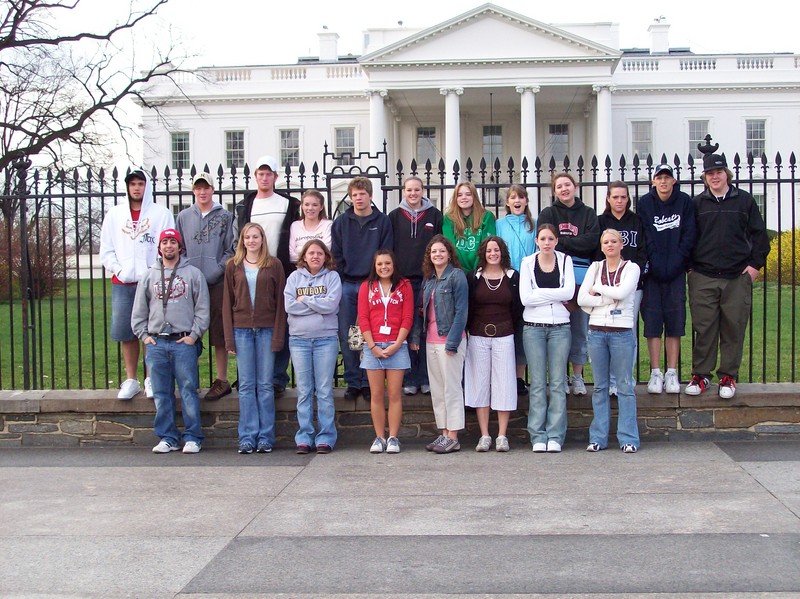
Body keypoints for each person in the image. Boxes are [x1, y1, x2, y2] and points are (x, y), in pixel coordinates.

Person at [686, 151, 770, 399]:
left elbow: (759, 237)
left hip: (736, 277)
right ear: (705, 177)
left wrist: (754, 267)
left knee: (734, 328)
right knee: (704, 328)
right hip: (703, 275)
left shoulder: (744, 201)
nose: (715, 177)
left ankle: (728, 377)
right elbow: (688, 238)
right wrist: (690, 268)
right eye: (710, 173)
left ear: (727, 175)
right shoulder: (697, 204)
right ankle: (701, 375)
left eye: (719, 172)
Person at [130, 229, 209, 454]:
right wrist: (144, 336)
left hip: (183, 342)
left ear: (179, 247)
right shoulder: (148, 276)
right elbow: (138, 311)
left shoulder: (193, 274)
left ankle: (193, 437)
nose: (169, 246)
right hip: (156, 343)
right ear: (159, 247)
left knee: (188, 389)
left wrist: (194, 335)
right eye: (165, 242)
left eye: (173, 242)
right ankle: (168, 437)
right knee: (162, 392)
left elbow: (203, 309)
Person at [100, 168, 174, 400]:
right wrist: (119, 270)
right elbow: (106, 250)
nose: (136, 188)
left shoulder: (161, 213)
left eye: (140, 183)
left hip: (151, 281)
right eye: (132, 183)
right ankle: (131, 379)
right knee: (127, 332)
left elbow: (170, 244)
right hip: (122, 282)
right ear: (127, 187)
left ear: (147, 186)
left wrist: (155, 271)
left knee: (152, 331)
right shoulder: (114, 214)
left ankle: (150, 378)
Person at [233, 155, 299, 397]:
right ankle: (247, 378)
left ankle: (277, 377)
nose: (264, 177)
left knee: (281, 322)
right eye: (260, 173)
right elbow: (239, 238)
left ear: (275, 177)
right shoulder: (245, 205)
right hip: (251, 270)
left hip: (280, 269)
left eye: (268, 173)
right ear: (255, 176)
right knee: (251, 325)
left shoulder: (288, 204)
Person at [222, 223, 286, 454]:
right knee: (247, 386)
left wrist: (279, 335)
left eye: (255, 236)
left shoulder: (274, 265)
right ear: (242, 240)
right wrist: (229, 338)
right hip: (241, 331)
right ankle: (247, 437)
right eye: (247, 237)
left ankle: (266, 437)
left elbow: (281, 304)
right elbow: (227, 304)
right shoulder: (233, 266)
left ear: (262, 239)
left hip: (267, 330)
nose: (251, 241)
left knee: (266, 386)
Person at [536, 172, 600, 397]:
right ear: (554, 190)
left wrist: (562, 242)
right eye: (559, 186)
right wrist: (573, 244)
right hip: (556, 277)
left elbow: (592, 241)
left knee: (580, 329)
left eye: (567, 185)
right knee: (558, 329)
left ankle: (578, 376)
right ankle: (560, 376)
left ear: (575, 186)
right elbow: (545, 241)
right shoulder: (548, 213)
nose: (564, 189)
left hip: (583, 278)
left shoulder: (588, 213)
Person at [578, 229, 641, 453]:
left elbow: (623, 292)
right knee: (600, 387)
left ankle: (629, 438)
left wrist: (598, 291)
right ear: (602, 246)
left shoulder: (631, 268)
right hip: (597, 332)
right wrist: (609, 297)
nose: (610, 245)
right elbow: (581, 298)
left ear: (621, 244)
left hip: (621, 332)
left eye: (614, 241)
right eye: (606, 242)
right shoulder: (595, 268)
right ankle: (598, 437)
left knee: (624, 386)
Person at [331, 176, 394, 400]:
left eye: (362, 194)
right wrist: (342, 275)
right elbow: (336, 254)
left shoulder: (383, 221)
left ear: (370, 195)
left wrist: (376, 281)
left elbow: (386, 253)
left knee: (372, 333)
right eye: (354, 195)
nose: (358, 198)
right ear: (350, 197)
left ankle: (368, 381)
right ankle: (353, 381)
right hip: (348, 284)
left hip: (372, 285)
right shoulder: (341, 222)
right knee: (349, 333)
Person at [638, 164, 697, 395]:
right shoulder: (645, 203)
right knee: (652, 324)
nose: (663, 182)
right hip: (652, 274)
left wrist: (676, 262)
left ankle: (672, 372)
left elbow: (689, 235)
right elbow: (646, 236)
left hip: (675, 272)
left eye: (667, 178)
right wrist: (655, 263)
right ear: (653, 182)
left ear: (674, 181)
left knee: (675, 323)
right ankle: (655, 372)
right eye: (659, 178)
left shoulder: (684, 202)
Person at [175, 172, 235, 401]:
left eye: (206, 188)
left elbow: (231, 248)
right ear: (193, 190)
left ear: (212, 189)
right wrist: (188, 271)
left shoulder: (225, 216)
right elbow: (180, 248)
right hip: (190, 284)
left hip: (217, 282)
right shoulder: (183, 217)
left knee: (219, 333)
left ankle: (221, 380)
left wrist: (218, 269)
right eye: (198, 188)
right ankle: (189, 378)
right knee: (189, 331)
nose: (202, 192)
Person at [410, 235, 469, 454]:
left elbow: (462, 311)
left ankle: (453, 436)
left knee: (451, 388)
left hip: (450, 341)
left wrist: (452, 342)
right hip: (431, 340)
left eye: (441, 251)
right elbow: (421, 310)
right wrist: (416, 338)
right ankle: (443, 433)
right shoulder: (429, 280)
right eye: (434, 252)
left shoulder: (457, 276)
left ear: (449, 253)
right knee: (437, 390)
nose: (438, 255)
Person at [520, 224, 575, 453]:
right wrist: (553, 296)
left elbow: (569, 292)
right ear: (536, 241)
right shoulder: (527, 262)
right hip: (533, 328)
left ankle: (555, 435)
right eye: (542, 238)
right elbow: (525, 298)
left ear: (556, 241)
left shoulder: (565, 261)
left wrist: (539, 294)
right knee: (538, 384)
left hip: (560, 327)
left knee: (558, 383)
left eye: (550, 238)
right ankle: (537, 435)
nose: (546, 242)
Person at [284, 239, 342, 455]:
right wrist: (317, 302)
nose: (315, 256)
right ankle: (304, 437)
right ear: (304, 257)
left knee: (325, 390)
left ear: (326, 256)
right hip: (299, 340)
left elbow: (331, 305)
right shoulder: (294, 277)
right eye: (311, 253)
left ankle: (326, 437)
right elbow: (289, 305)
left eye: (319, 253)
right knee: (304, 390)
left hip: (325, 340)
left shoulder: (332, 277)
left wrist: (305, 300)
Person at [465, 236, 522, 452]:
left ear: (502, 252)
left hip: (504, 335)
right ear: (483, 253)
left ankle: (502, 435)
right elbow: (469, 305)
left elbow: (517, 309)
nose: (492, 254)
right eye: (489, 250)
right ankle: (485, 435)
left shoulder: (512, 276)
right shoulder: (474, 277)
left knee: (504, 383)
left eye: (496, 250)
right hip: (478, 335)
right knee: (480, 384)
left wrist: (509, 329)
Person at [388, 176, 443, 396]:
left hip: (428, 279)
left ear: (423, 191)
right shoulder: (394, 217)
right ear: (404, 192)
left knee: (428, 328)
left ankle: (425, 377)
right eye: (409, 190)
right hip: (403, 281)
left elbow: (440, 247)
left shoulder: (434, 215)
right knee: (407, 328)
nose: (413, 193)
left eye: (417, 190)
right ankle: (410, 378)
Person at [358, 250, 414, 454]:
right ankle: (379, 436)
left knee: (394, 394)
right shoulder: (367, 287)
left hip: (396, 345)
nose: (384, 267)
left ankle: (393, 438)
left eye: (387, 263)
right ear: (374, 266)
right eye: (380, 264)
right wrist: (372, 346)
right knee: (376, 394)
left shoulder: (404, 285)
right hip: (373, 345)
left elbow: (408, 317)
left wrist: (397, 344)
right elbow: (363, 318)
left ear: (393, 264)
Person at [597, 181, 647, 395]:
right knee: (606, 331)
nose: (619, 201)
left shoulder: (637, 222)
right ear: (608, 198)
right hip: (605, 288)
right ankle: (610, 381)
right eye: (615, 197)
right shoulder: (600, 222)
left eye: (623, 197)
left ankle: (625, 378)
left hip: (631, 288)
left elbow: (644, 252)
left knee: (628, 332)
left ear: (628, 199)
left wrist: (632, 279)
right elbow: (595, 253)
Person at [496, 184, 537, 395]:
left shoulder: (535, 224)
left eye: (521, 197)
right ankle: (502, 375)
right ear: (508, 202)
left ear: (526, 201)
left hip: (528, 281)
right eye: (513, 197)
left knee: (522, 329)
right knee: (505, 326)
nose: (517, 201)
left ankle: (519, 378)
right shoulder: (499, 224)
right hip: (505, 278)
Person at [442, 181, 496, 272]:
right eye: (459, 195)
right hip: (457, 270)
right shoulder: (449, 219)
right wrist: (460, 269)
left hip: (480, 270)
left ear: (474, 196)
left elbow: (487, 245)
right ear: (455, 198)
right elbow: (450, 246)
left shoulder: (486, 217)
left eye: (468, 194)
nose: (464, 198)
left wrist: (477, 269)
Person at [289, 189, 333, 262]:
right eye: (306, 204)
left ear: (321, 207)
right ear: (302, 206)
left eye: (315, 205)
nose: (310, 208)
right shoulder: (295, 226)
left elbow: (326, 251)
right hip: (299, 270)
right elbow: (291, 256)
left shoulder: (328, 225)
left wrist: (300, 249)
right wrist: (315, 254)